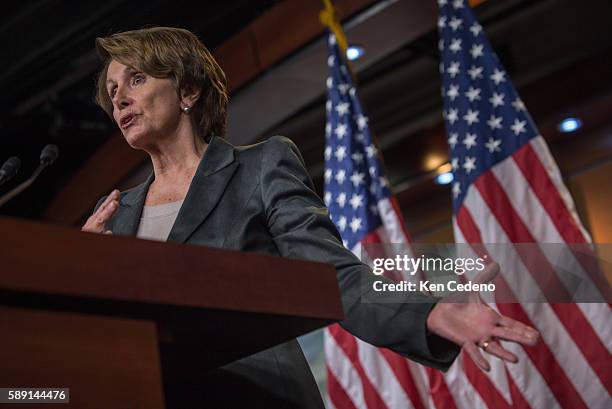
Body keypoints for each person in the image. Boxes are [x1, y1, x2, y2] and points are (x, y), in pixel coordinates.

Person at [82, 27, 538, 408]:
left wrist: (427, 312)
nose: (119, 98)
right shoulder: (115, 217)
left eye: (137, 79)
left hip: (258, 398)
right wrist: (84, 274)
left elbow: (332, 274)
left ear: (188, 90)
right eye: (113, 91)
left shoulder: (259, 167)